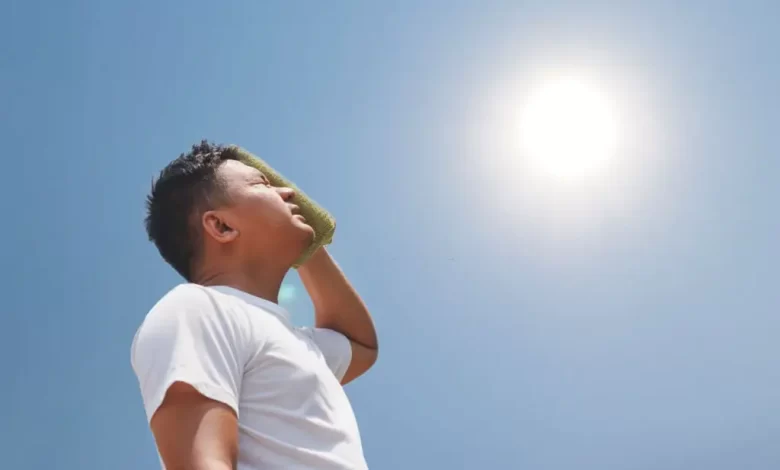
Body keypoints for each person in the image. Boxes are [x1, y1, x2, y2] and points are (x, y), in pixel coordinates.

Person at [130, 140, 378, 470]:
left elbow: (361, 345)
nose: (289, 192)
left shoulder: (293, 339)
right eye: (263, 184)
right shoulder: (197, 309)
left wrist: (307, 238)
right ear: (221, 226)